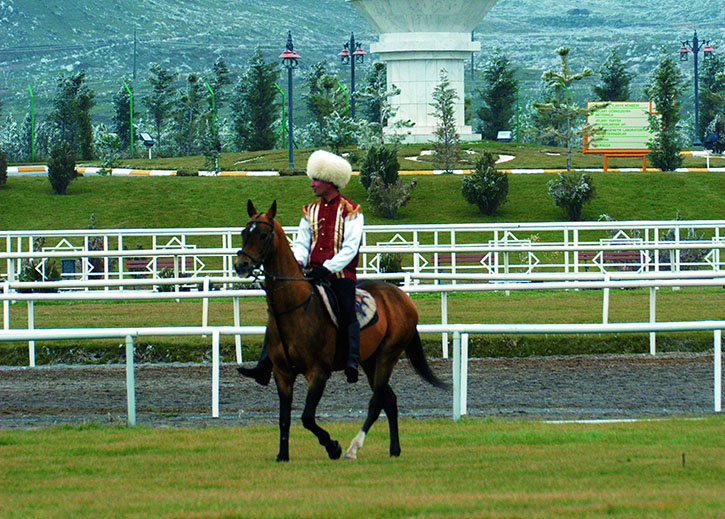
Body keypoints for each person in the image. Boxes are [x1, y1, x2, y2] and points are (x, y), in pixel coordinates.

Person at [238, 149, 363, 385]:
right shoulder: (309, 210)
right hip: (311, 274)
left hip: (339, 275)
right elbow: (302, 243)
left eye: (316, 180)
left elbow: (350, 248)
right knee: (279, 311)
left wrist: (327, 268)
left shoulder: (351, 211)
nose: (312, 184)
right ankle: (264, 365)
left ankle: (352, 360)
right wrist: (298, 262)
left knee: (347, 309)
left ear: (329, 181)